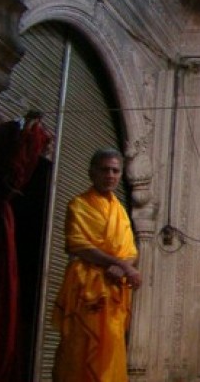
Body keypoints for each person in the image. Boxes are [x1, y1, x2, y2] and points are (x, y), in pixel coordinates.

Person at [52, 148, 141, 382]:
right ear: (92, 173)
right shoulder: (78, 205)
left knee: (111, 349)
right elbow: (78, 245)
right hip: (86, 289)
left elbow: (130, 250)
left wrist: (123, 266)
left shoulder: (121, 212)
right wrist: (121, 265)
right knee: (80, 348)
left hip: (113, 289)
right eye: (105, 170)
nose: (110, 175)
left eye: (115, 171)